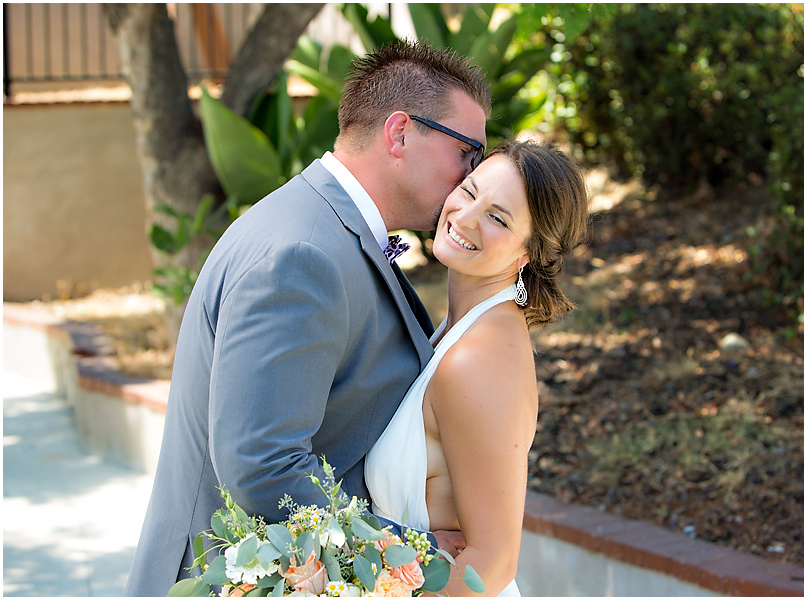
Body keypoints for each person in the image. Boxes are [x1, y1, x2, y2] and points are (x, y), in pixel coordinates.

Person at [124, 40, 490, 597]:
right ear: (399, 134)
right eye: (469, 154)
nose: (471, 179)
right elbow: (263, 465)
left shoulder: (323, 229)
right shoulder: (302, 255)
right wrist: (410, 553)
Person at [365, 139, 590, 596]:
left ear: (529, 253)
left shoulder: (477, 362)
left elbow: (494, 561)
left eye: (498, 217)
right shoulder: (463, 326)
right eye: (469, 192)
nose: (465, 218)